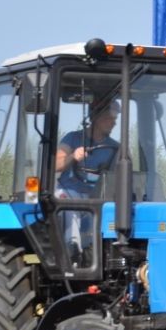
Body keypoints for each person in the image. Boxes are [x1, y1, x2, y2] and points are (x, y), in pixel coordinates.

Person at [55, 99, 120, 265]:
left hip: (98, 195)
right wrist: (72, 157)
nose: (113, 123)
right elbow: (56, 165)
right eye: (109, 118)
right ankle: (72, 251)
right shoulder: (74, 138)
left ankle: (109, 254)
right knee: (69, 204)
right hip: (71, 191)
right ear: (96, 117)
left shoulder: (116, 147)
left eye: (115, 119)